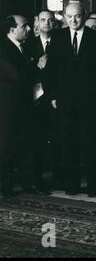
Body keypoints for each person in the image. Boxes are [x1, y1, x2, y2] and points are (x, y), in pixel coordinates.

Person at [46, 1, 96, 197]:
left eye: (77, 16)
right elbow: (51, 71)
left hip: (90, 102)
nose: (73, 20)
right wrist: (53, 96)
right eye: (69, 16)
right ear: (65, 17)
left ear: (84, 16)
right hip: (65, 101)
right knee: (69, 145)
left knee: (91, 145)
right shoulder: (57, 38)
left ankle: (93, 187)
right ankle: (72, 185)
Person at [0, 15, 34, 198]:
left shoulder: (25, 47)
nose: (28, 29)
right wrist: (37, 66)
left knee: (24, 145)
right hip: (7, 108)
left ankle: (26, 183)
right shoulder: (3, 48)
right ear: (12, 30)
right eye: (24, 26)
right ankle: (5, 187)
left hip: (23, 107)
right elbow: (17, 77)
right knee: (5, 147)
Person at [26, 10, 58, 194]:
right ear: (36, 21)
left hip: (55, 100)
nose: (46, 23)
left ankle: (58, 179)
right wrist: (37, 68)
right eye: (43, 20)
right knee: (37, 142)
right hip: (36, 102)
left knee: (57, 139)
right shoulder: (29, 45)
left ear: (54, 23)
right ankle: (37, 180)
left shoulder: (61, 42)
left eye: (50, 20)